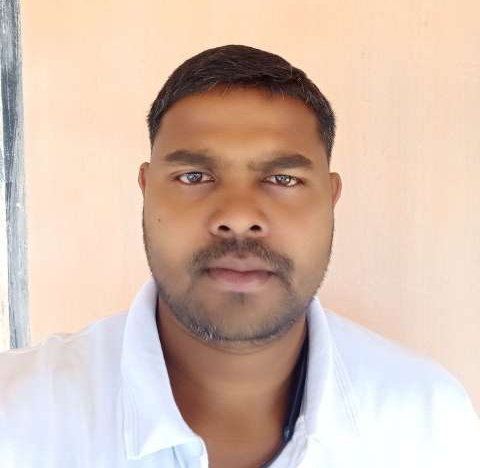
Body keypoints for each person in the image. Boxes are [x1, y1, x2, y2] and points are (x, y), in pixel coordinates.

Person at [0, 45, 478, 468]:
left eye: (283, 179)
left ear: (331, 198)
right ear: (146, 190)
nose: (238, 216)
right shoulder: (15, 416)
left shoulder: (428, 422)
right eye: (193, 176)